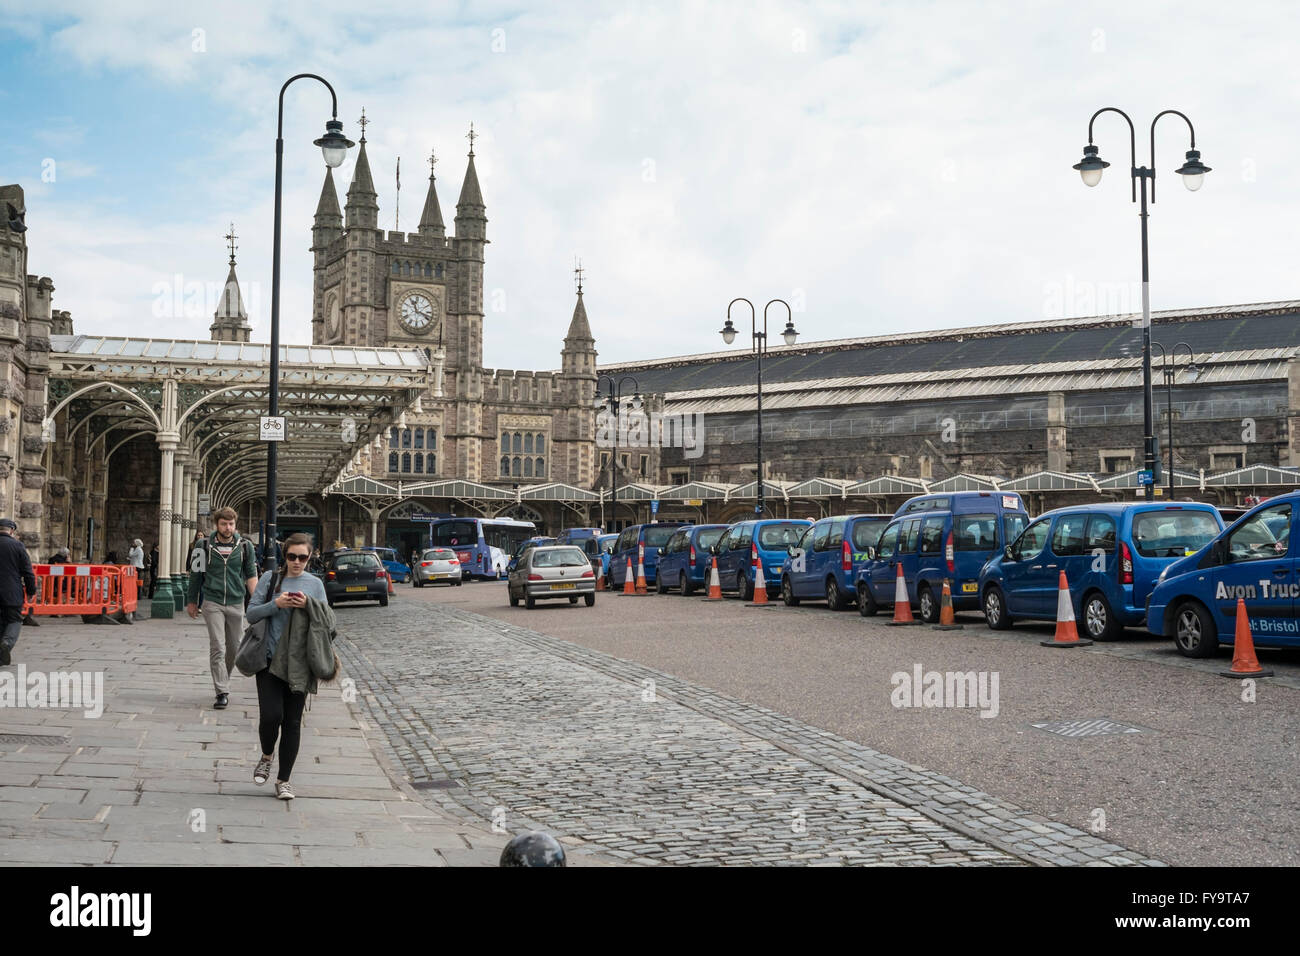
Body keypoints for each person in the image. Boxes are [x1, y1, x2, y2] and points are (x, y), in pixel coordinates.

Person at [245, 532, 330, 800]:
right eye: (292, 556)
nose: (297, 562)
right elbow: (251, 612)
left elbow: (328, 620)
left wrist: (309, 605)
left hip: (300, 662)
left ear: (310, 557)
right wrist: (276, 603)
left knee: (292, 721)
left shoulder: (315, 584)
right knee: (271, 716)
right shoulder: (271, 579)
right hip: (269, 660)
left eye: (302, 557)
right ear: (285, 556)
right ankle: (267, 755)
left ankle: (284, 781)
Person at [186, 507, 258, 710]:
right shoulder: (203, 545)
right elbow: (196, 575)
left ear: (236, 524)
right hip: (212, 602)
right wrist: (192, 601)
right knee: (217, 645)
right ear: (216, 525)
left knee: (235, 648)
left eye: (231, 524)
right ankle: (222, 691)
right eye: (224, 524)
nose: (228, 528)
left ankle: (222, 678)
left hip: (236, 602)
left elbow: (251, 574)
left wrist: (258, 601)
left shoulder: (245, 546)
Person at [0, 518, 37, 666]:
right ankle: (6, 644)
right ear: (12, 531)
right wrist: (31, 590)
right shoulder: (18, 546)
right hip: (12, 592)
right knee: (14, 620)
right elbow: (27, 572)